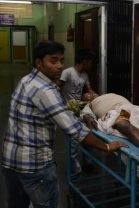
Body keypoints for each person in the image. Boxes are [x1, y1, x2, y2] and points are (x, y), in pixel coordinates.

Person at [1, 40, 127, 208]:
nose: (59, 66)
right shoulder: (48, 88)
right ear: (39, 63)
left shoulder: (26, 80)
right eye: (53, 61)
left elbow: (85, 94)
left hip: (11, 161)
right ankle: (76, 173)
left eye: (61, 60)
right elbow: (75, 130)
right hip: (35, 166)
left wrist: (89, 102)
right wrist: (107, 147)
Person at [57, 48, 97, 177]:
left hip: (78, 106)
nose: (91, 65)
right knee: (73, 142)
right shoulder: (68, 73)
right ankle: (75, 170)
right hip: (68, 106)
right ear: (84, 61)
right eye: (91, 62)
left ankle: (88, 162)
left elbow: (89, 90)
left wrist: (94, 96)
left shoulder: (85, 75)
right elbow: (57, 88)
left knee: (87, 133)